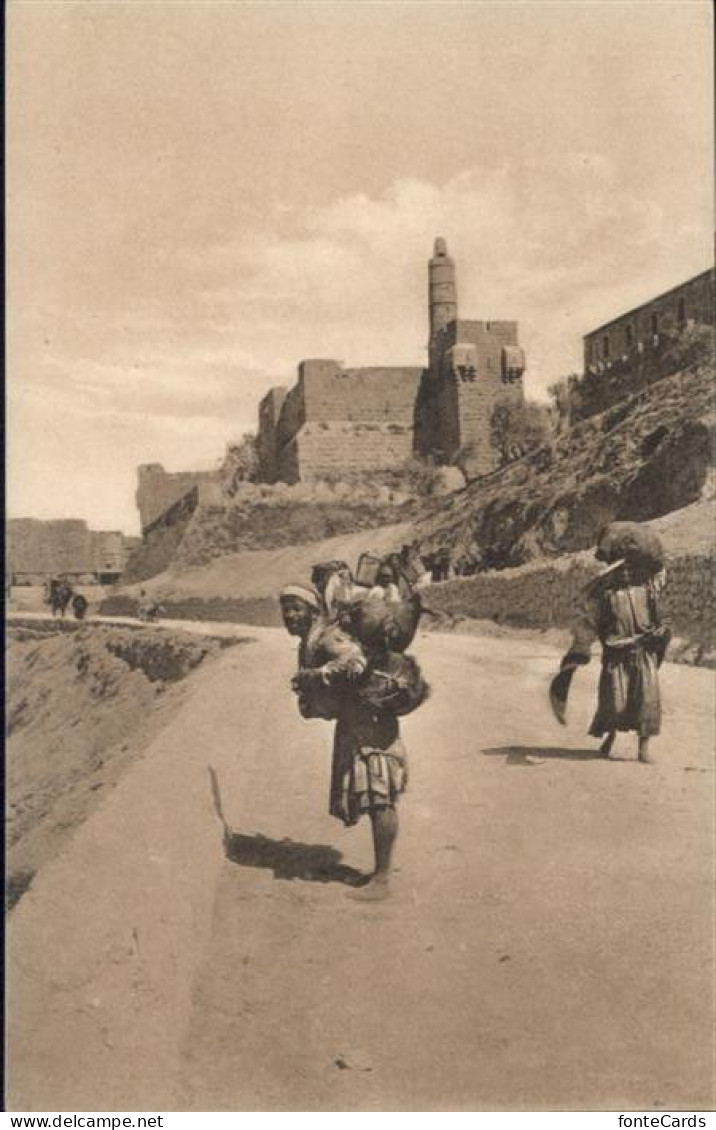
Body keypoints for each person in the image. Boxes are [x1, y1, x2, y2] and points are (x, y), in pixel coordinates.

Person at [280, 582, 408, 900]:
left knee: (380, 796)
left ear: (312, 610)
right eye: (285, 609)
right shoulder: (309, 641)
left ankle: (382, 880)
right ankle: (380, 873)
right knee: (371, 793)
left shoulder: (328, 636)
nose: (289, 615)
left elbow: (355, 662)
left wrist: (316, 676)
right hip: (355, 723)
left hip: (371, 724)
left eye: (296, 607)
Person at [555, 559, 668, 763]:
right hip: (617, 655)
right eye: (620, 571)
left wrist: (658, 632)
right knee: (614, 702)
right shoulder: (607, 598)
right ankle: (610, 736)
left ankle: (643, 749)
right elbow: (596, 625)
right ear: (613, 575)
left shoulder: (646, 592)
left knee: (647, 700)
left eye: (629, 570)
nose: (625, 574)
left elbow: (658, 620)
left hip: (643, 653)